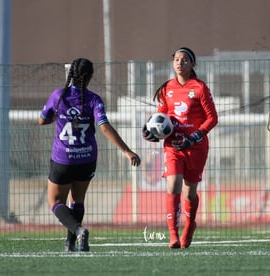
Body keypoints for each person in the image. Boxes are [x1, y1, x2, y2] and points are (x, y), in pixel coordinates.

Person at [39, 58, 141, 252]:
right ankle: (70, 243)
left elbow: (42, 120)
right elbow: (104, 127)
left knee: (55, 202)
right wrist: (127, 151)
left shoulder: (59, 96)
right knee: (77, 200)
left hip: (63, 159)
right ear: (90, 76)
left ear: (71, 75)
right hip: (87, 158)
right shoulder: (94, 99)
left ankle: (78, 231)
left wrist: (54, 116)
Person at [142, 47, 218, 249]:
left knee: (189, 192)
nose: (180, 63)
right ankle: (173, 235)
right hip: (173, 146)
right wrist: (150, 131)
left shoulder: (200, 88)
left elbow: (212, 118)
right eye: (177, 59)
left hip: (195, 147)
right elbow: (161, 117)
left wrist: (194, 136)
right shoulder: (167, 88)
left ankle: (189, 226)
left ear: (192, 64)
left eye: (185, 60)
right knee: (173, 184)